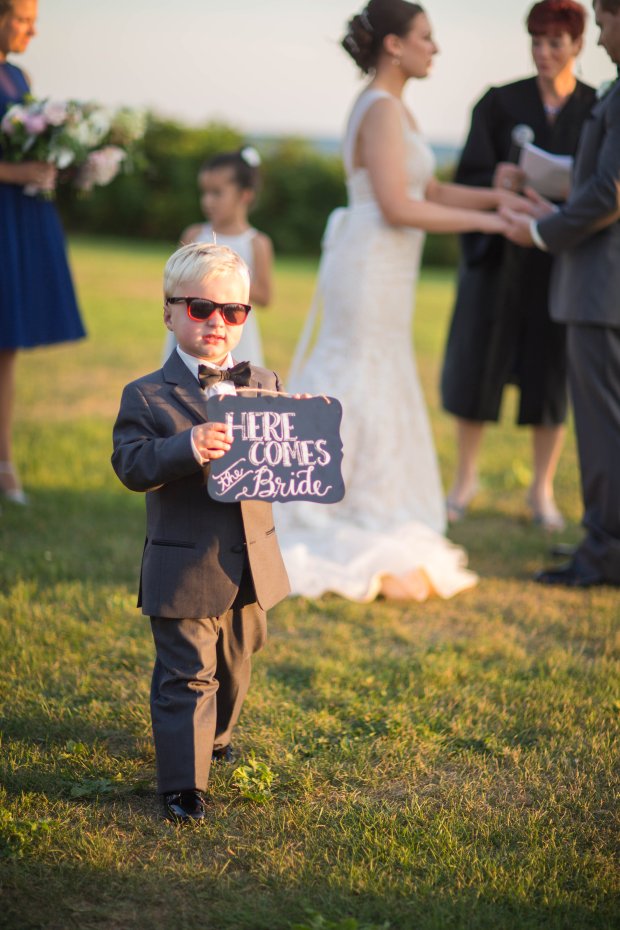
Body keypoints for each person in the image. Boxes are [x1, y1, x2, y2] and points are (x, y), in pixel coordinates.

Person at [276, 0, 522, 602]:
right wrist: (491, 226)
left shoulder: (395, 108)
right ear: (394, 45)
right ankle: (324, 502)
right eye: (426, 37)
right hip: (369, 264)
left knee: (377, 369)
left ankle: (360, 492)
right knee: (357, 371)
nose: (434, 48)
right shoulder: (381, 109)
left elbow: (430, 187)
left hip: (387, 268)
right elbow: (399, 206)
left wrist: (496, 198)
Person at [112, 244, 290, 822]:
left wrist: (301, 432)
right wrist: (185, 447)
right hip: (185, 562)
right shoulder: (147, 394)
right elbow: (132, 465)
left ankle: (215, 738)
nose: (217, 321)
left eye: (233, 311)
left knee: (239, 659)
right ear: (170, 313)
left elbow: (282, 455)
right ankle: (184, 787)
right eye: (201, 307)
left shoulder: (262, 381)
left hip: (249, 560)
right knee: (188, 674)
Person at [440, 0, 595, 532]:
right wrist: (498, 180)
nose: (544, 53)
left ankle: (541, 490)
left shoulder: (597, 108)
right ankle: (464, 480)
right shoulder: (500, 103)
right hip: (497, 259)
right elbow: (469, 174)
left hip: (559, 262)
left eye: (555, 43)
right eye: (537, 42)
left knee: (550, 376)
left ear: (577, 44)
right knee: (476, 365)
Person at [502, 0, 620, 587]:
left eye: (605, 24)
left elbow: (608, 191)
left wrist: (541, 229)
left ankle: (603, 555)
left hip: (603, 292)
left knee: (602, 432)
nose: (600, 40)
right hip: (602, 287)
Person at [0, 0, 85, 506]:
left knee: (5, 347)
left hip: (15, 223)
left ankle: (4, 463)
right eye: (24, 20)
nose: (33, 31)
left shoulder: (17, 78)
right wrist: (15, 174)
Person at [162, 147, 273, 367]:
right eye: (204, 193)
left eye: (217, 193)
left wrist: (226, 287)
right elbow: (173, 281)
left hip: (232, 326)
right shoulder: (193, 234)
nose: (207, 201)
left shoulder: (257, 243)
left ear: (245, 195)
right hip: (194, 322)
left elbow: (266, 296)